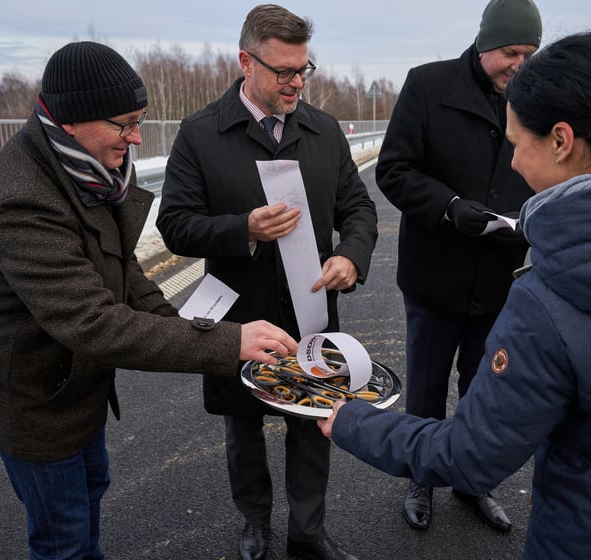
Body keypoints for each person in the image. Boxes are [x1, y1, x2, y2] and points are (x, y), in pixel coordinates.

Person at [319, 31, 591, 559]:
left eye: (518, 143)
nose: (515, 163)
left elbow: (471, 455)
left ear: (562, 140)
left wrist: (348, 419)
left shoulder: (557, 296)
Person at [0, 41, 298, 560]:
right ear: (71, 120)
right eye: (124, 124)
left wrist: (196, 331)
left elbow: (123, 270)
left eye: (139, 120)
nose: (136, 137)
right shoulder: (22, 200)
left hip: (78, 386)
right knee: (63, 540)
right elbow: (94, 323)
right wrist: (228, 342)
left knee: (91, 493)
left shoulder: (96, 165)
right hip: (33, 399)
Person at [156, 5, 378, 560]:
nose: (296, 82)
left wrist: (351, 256)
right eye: (283, 71)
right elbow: (174, 224)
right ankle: (254, 523)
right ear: (245, 62)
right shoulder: (201, 133)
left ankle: (309, 533)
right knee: (244, 424)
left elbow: (359, 209)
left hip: (311, 312)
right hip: (237, 314)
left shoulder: (324, 131)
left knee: (313, 423)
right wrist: (244, 228)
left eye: (304, 69)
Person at [374, 0, 541, 532]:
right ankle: (421, 477)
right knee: (426, 386)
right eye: (510, 52)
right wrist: (448, 207)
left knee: (485, 387)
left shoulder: (538, 97)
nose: (519, 63)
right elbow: (394, 170)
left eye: (529, 53)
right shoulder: (427, 85)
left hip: (501, 275)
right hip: (435, 272)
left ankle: (472, 480)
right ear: (484, 43)